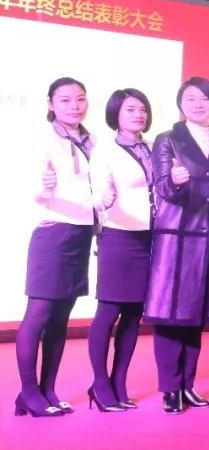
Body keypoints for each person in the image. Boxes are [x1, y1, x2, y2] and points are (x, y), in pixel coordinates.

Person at [145, 77, 209, 414]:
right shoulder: (168, 139)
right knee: (171, 315)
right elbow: (162, 187)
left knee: (197, 314)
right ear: (181, 104)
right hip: (177, 239)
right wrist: (174, 181)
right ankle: (170, 388)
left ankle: (187, 384)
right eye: (191, 98)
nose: (198, 104)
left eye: (205, 99)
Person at [15, 78, 96, 418]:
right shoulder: (44, 138)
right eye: (65, 100)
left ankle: (48, 388)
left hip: (80, 234)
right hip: (52, 234)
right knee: (38, 315)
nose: (74, 106)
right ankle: (28, 392)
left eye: (80, 99)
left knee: (61, 318)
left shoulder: (91, 141)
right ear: (51, 104)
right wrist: (44, 188)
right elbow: (30, 189)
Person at [86, 88, 156, 411]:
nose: (138, 115)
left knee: (133, 314)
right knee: (108, 311)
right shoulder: (104, 151)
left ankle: (119, 382)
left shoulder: (154, 147)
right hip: (118, 236)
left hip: (151, 238)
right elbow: (99, 192)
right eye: (130, 109)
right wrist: (103, 200)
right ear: (116, 113)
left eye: (142, 109)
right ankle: (100, 384)